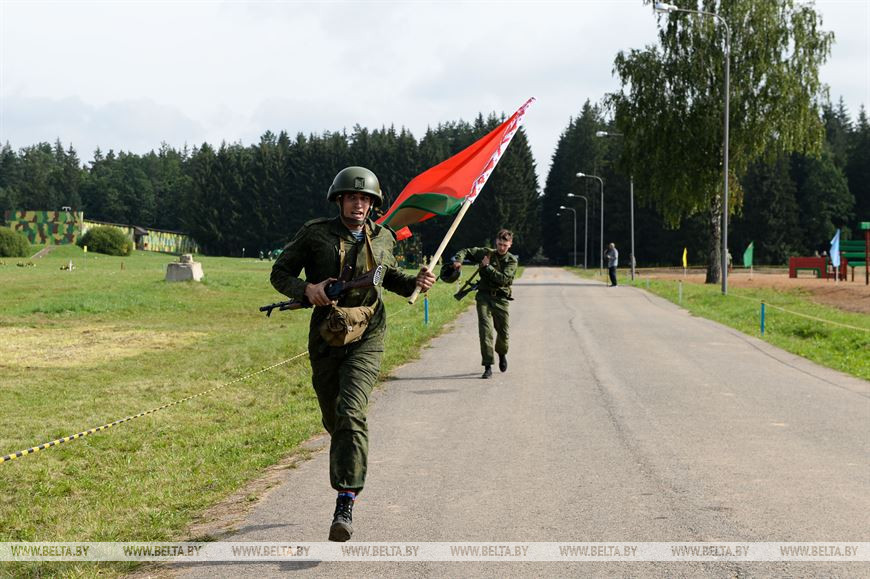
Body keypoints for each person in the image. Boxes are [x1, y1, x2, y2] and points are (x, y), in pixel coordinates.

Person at [270, 166, 436, 542]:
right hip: (327, 335)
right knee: (335, 420)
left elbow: (389, 279)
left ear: (373, 204)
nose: (358, 203)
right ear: (340, 200)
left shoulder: (384, 239)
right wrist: (306, 289)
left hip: (368, 335)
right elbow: (279, 273)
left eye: (365, 198)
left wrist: (418, 282)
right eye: (352, 197)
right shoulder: (315, 234)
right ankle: (350, 448)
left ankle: (346, 498)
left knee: (350, 411)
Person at [452, 229, 518, 379]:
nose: (501, 247)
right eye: (500, 244)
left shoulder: (511, 261)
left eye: (505, 245)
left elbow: (503, 279)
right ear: (496, 242)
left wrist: (487, 267)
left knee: (503, 332)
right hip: (484, 297)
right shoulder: (486, 253)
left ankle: (501, 354)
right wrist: (458, 260)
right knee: (485, 331)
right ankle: (487, 365)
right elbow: (466, 251)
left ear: (510, 245)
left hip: (501, 299)